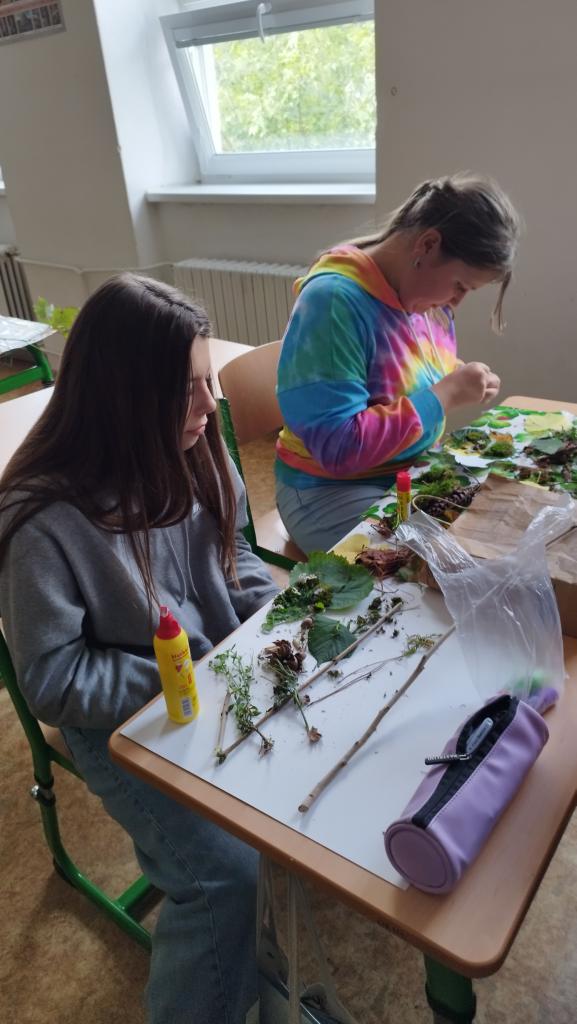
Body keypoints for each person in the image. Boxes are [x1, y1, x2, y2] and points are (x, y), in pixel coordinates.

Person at [0, 274, 280, 1024]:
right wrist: (179, 677)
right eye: (186, 389)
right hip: (122, 725)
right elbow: (53, 680)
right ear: (121, 395)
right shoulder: (42, 518)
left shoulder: (193, 444)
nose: (209, 406)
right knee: (228, 882)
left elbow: (237, 557)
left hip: (218, 678)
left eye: (208, 381)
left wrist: (271, 621)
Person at [275, 172, 521, 553]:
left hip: (404, 473)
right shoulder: (333, 302)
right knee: (435, 565)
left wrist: (455, 376)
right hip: (327, 490)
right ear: (428, 245)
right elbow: (339, 449)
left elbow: (402, 372)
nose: (457, 301)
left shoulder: (423, 301)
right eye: (460, 285)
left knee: (503, 520)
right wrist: (444, 395)